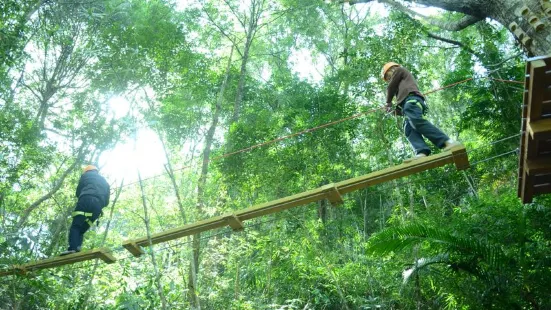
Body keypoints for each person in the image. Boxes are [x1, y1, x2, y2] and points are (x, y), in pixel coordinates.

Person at [381, 62, 460, 162]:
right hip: (408, 105)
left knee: (415, 120)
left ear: (391, 70)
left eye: (388, 77)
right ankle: (421, 152)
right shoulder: (400, 89)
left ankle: (447, 142)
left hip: (412, 100)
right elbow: (402, 110)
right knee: (408, 127)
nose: (389, 80)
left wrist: (388, 102)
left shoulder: (400, 70)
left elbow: (390, 87)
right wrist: (393, 111)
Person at [60, 165, 110, 256]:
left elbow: (78, 192)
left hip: (85, 199)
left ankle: (73, 248)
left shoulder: (85, 176)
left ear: (86, 171)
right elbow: (106, 202)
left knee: (76, 226)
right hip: (98, 207)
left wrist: (85, 195)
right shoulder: (105, 182)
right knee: (83, 228)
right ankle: (78, 247)